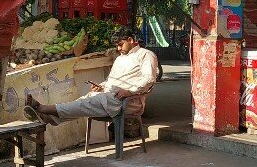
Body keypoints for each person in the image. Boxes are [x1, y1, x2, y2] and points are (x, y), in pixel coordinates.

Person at [24, 29, 158, 125]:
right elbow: (111, 80)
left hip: (128, 101)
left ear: (130, 40)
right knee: (85, 99)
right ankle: (51, 118)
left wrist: (130, 91)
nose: (118, 49)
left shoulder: (146, 55)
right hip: (110, 97)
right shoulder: (120, 58)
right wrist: (102, 86)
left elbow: (149, 79)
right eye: (117, 45)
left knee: (87, 103)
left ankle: (43, 108)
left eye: (120, 44)